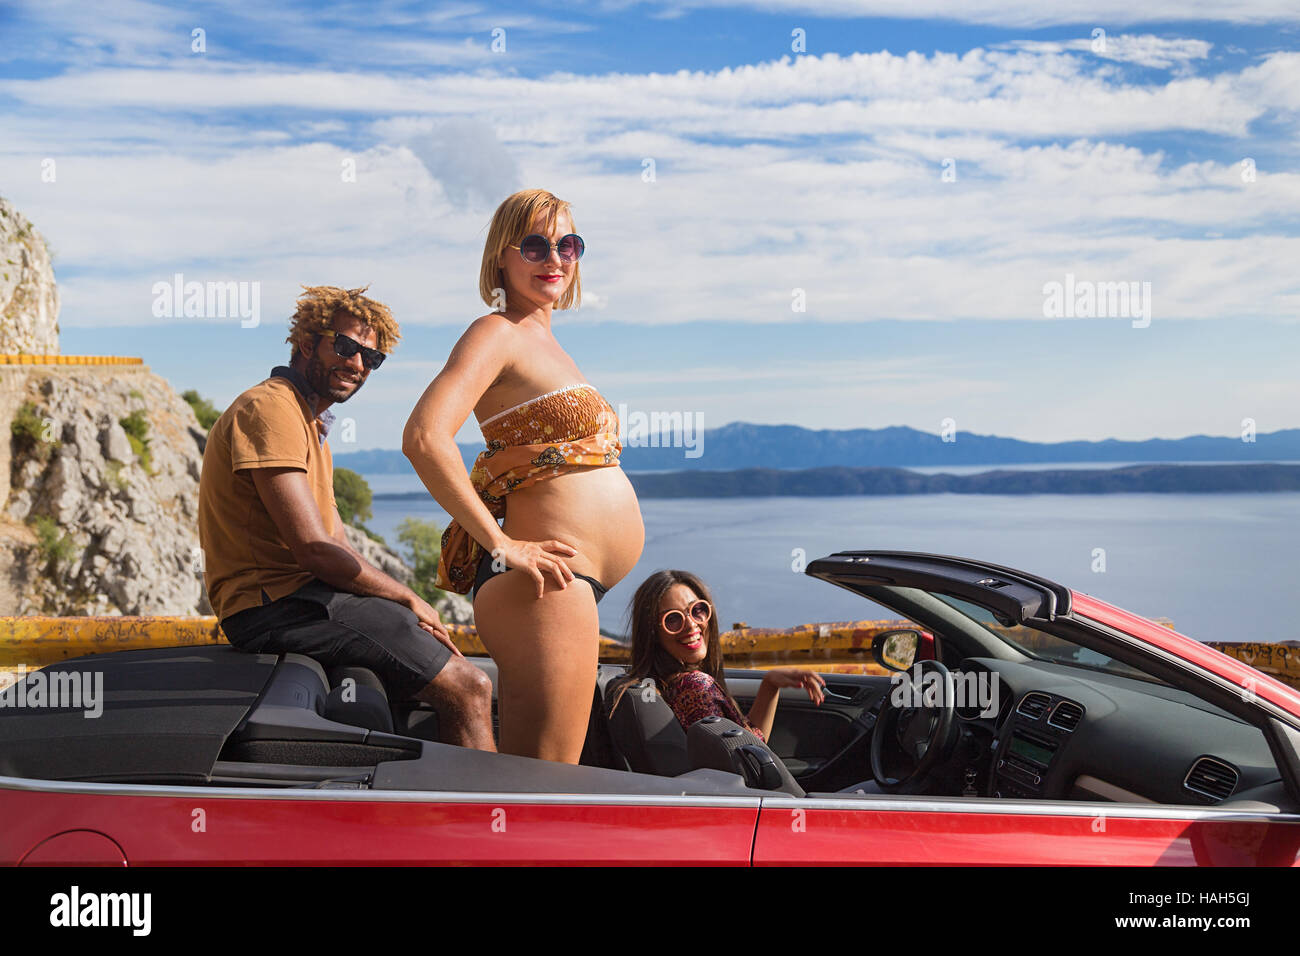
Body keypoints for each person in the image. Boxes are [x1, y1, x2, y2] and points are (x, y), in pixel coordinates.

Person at [403, 188, 645, 765]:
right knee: (546, 782)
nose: (554, 259)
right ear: (501, 260)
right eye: (535, 245)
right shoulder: (497, 332)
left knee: (532, 774)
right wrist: (502, 543)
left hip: (567, 584)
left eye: (568, 244)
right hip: (546, 584)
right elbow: (423, 438)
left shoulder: (548, 343)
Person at [197, 285, 495, 751]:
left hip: (303, 598)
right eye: (345, 347)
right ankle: (488, 819)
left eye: (370, 359)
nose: (356, 364)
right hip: (275, 606)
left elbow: (337, 541)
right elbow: (314, 549)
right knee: (469, 686)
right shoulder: (271, 409)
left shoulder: (312, 427)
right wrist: (409, 598)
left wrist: (399, 604)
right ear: (306, 342)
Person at [613, 570, 826, 742]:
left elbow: (749, 748)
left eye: (697, 610)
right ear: (653, 633)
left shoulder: (666, 685)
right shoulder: (695, 687)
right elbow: (740, 764)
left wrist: (770, 685)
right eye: (673, 620)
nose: (691, 625)